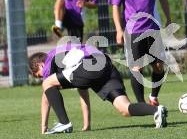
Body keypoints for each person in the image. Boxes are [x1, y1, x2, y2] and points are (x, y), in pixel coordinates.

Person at [28, 43, 168, 134]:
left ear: (40, 64)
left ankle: (64, 123)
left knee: (47, 84)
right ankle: (156, 110)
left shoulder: (50, 59)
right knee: (125, 109)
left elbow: (46, 94)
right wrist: (86, 125)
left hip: (89, 64)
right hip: (105, 65)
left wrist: (43, 128)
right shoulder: (66, 56)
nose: (42, 76)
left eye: (39, 75)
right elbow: (83, 88)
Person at [109, 0, 171, 106]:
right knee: (137, 68)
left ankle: (153, 96)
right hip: (133, 30)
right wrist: (118, 29)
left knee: (158, 66)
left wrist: (168, 18)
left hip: (152, 28)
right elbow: (115, 6)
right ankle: (141, 103)